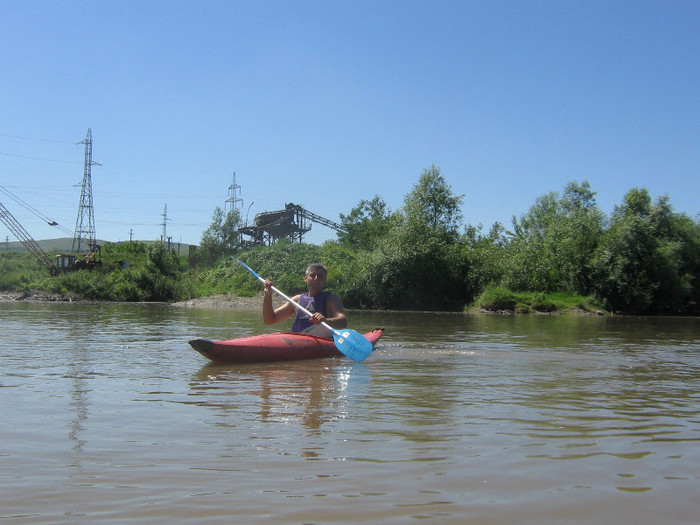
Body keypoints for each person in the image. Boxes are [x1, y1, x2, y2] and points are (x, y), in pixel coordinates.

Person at [263, 263, 347, 338]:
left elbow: (343, 322)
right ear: (305, 278)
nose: (316, 278)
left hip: (322, 342)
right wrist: (268, 295)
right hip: (298, 340)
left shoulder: (331, 299)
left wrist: (326, 321)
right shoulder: (297, 300)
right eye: (312, 275)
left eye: (320, 276)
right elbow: (269, 320)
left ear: (324, 281)